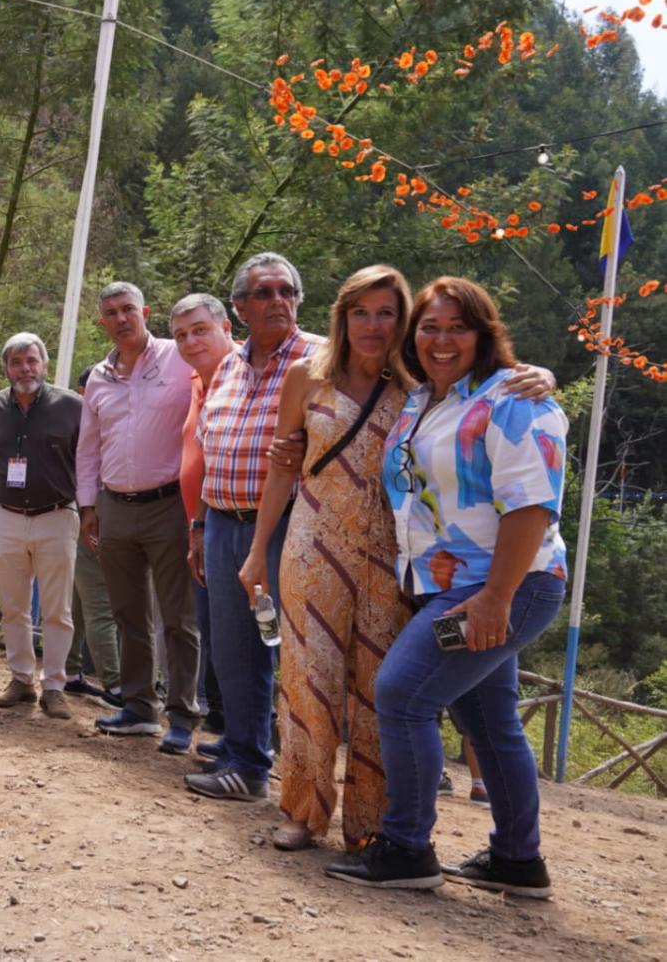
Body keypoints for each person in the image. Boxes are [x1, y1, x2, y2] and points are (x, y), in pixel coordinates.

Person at [326, 277, 568, 897]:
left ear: (483, 334)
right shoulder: (423, 402)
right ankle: (519, 861)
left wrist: (495, 600)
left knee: (401, 694)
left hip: (503, 585)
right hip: (449, 585)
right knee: (489, 725)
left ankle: (407, 847)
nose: (440, 339)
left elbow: (531, 506)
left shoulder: (512, 398)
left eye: (457, 327)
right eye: (429, 327)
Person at [237, 265, 415, 851]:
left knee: (377, 687)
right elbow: (282, 465)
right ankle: (303, 809)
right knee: (308, 681)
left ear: (401, 319)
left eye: (385, 312)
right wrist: (258, 549)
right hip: (311, 546)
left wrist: (535, 375)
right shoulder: (306, 378)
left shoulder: (417, 388)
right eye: (360, 312)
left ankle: (369, 823)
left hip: (389, 556)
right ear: (342, 318)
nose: (371, 324)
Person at [185, 252, 324, 802]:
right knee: (235, 648)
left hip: (288, 526)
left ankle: (301, 774)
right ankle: (244, 758)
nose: (277, 302)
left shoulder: (321, 358)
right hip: (221, 523)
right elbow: (210, 450)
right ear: (239, 308)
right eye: (263, 293)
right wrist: (198, 526)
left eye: (286, 291)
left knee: (294, 650)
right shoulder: (228, 365)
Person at [78, 281, 200, 751]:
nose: (122, 318)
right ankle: (139, 707)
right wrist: (87, 505)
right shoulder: (98, 378)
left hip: (171, 504)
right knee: (128, 613)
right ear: (102, 323)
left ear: (146, 311)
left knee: (178, 617)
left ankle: (184, 716)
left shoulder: (180, 356)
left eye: (129, 308)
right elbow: (88, 448)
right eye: (111, 312)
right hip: (114, 508)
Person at [0, 333, 82, 719]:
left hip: (57, 515)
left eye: (32, 360)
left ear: (45, 364)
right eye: (17, 362)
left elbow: (89, 462)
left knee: (57, 610)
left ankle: (54, 685)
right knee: (13, 607)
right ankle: (21, 679)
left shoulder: (72, 406)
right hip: (6, 516)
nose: (25, 369)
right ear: (6, 368)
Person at [169, 294, 237, 748]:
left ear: (227, 328)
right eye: (181, 335)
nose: (190, 341)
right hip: (203, 528)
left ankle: (249, 740)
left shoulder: (250, 374)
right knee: (219, 635)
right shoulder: (197, 379)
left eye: (199, 330)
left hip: (245, 525)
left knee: (247, 639)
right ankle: (231, 733)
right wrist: (195, 528)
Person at [64, 368, 122, 706]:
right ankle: (116, 686)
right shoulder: (85, 426)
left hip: (83, 518)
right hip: (89, 520)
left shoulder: (93, 425)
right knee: (99, 605)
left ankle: (70, 671)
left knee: (78, 602)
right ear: (82, 391)